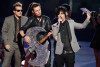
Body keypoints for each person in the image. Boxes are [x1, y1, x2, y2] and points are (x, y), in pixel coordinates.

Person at [19, 2, 52, 67]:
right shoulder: (31, 20)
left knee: (47, 64)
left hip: (46, 45)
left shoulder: (46, 19)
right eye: (37, 10)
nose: (39, 12)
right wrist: (24, 36)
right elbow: (22, 29)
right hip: (37, 46)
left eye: (39, 9)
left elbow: (50, 30)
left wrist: (51, 32)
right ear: (33, 12)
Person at [2, 2, 28, 67]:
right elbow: (4, 31)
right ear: (14, 11)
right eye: (18, 10)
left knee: (18, 64)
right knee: (6, 64)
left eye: (21, 10)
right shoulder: (8, 19)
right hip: (10, 44)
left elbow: (29, 29)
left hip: (19, 45)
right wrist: (6, 43)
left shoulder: (25, 19)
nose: (20, 12)